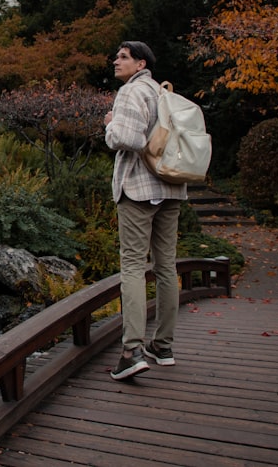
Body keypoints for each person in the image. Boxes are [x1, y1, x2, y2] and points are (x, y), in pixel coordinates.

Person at [103, 41, 187, 379]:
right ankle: (162, 346)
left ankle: (131, 350)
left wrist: (110, 123)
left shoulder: (131, 92)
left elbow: (127, 139)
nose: (115, 61)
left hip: (138, 188)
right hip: (170, 187)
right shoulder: (164, 92)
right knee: (166, 267)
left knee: (133, 266)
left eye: (123, 57)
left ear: (141, 64)